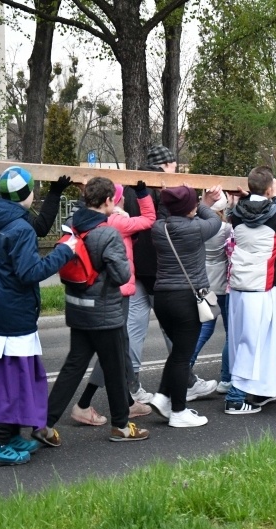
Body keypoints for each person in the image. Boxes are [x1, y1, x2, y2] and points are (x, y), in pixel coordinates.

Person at [40, 177, 150, 442]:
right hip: (104, 313)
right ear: (109, 200)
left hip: (77, 309)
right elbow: (122, 275)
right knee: (115, 368)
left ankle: (44, 424)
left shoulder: (72, 225)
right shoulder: (107, 233)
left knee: (73, 367)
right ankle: (121, 427)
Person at [0, 166, 75, 466]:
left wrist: (55, 193)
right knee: (11, 381)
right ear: (26, 195)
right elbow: (29, 272)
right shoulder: (19, 228)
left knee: (14, 376)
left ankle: (10, 436)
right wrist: (65, 251)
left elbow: (38, 228)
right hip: (13, 310)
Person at [72, 182, 154, 424]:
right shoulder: (117, 221)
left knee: (120, 345)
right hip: (120, 291)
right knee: (113, 349)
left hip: (104, 290)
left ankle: (128, 401)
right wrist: (143, 194)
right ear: (113, 199)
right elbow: (149, 219)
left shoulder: (99, 220)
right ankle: (84, 404)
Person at [224, 166, 276, 415]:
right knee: (253, 343)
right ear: (269, 189)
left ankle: (261, 388)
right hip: (262, 285)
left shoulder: (237, 212)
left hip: (239, 284)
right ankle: (235, 398)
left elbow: (248, 210)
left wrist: (253, 196)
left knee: (245, 342)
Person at [148, 185, 223, 427]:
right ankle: (179, 412)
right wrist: (203, 203)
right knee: (183, 356)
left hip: (162, 298)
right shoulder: (197, 228)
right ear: (190, 207)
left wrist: (191, 203)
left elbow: (167, 210)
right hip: (187, 299)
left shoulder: (159, 227)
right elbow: (215, 219)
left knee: (178, 351)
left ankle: (162, 396)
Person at [125, 145, 176, 403]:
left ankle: (131, 383)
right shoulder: (161, 188)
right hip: (158, 266)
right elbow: (164, 226)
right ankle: (184, 378)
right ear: (165, 165)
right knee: (172, 325)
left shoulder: (130, 185)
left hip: (134, 266)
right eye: (174, 165)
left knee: (134, 326)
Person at [188, 192, 232, 391]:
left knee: (204, 329)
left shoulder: (198, 227)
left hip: (205, 283)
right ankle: (226, 378)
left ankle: (186, 367)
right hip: (224, 285)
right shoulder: (226, 229)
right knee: (231, 333)